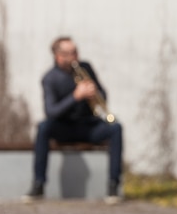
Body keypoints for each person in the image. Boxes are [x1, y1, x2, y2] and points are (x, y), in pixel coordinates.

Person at [23, 36, 123, 205]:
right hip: (64, 128)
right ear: (58, 56)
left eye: (75, 52)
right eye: (70, 53)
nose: (75, 57)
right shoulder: (50, 78)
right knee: (43, 127)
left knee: (115, 127)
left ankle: (113, 186)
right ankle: (38, 185)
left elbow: (103, 97)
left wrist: (94, 91)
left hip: (88, 126)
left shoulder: (86, 68)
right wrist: (76, 97)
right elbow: (51, 111)